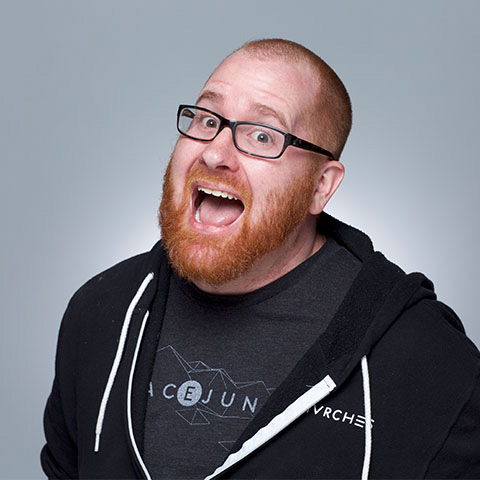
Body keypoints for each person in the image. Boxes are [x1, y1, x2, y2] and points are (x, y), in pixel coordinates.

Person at [41, 39, 480, 479]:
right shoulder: (102, 312)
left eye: (262, 135)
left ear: (320, 187)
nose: (214, 153)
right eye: (207, 120)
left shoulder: (429, 364)